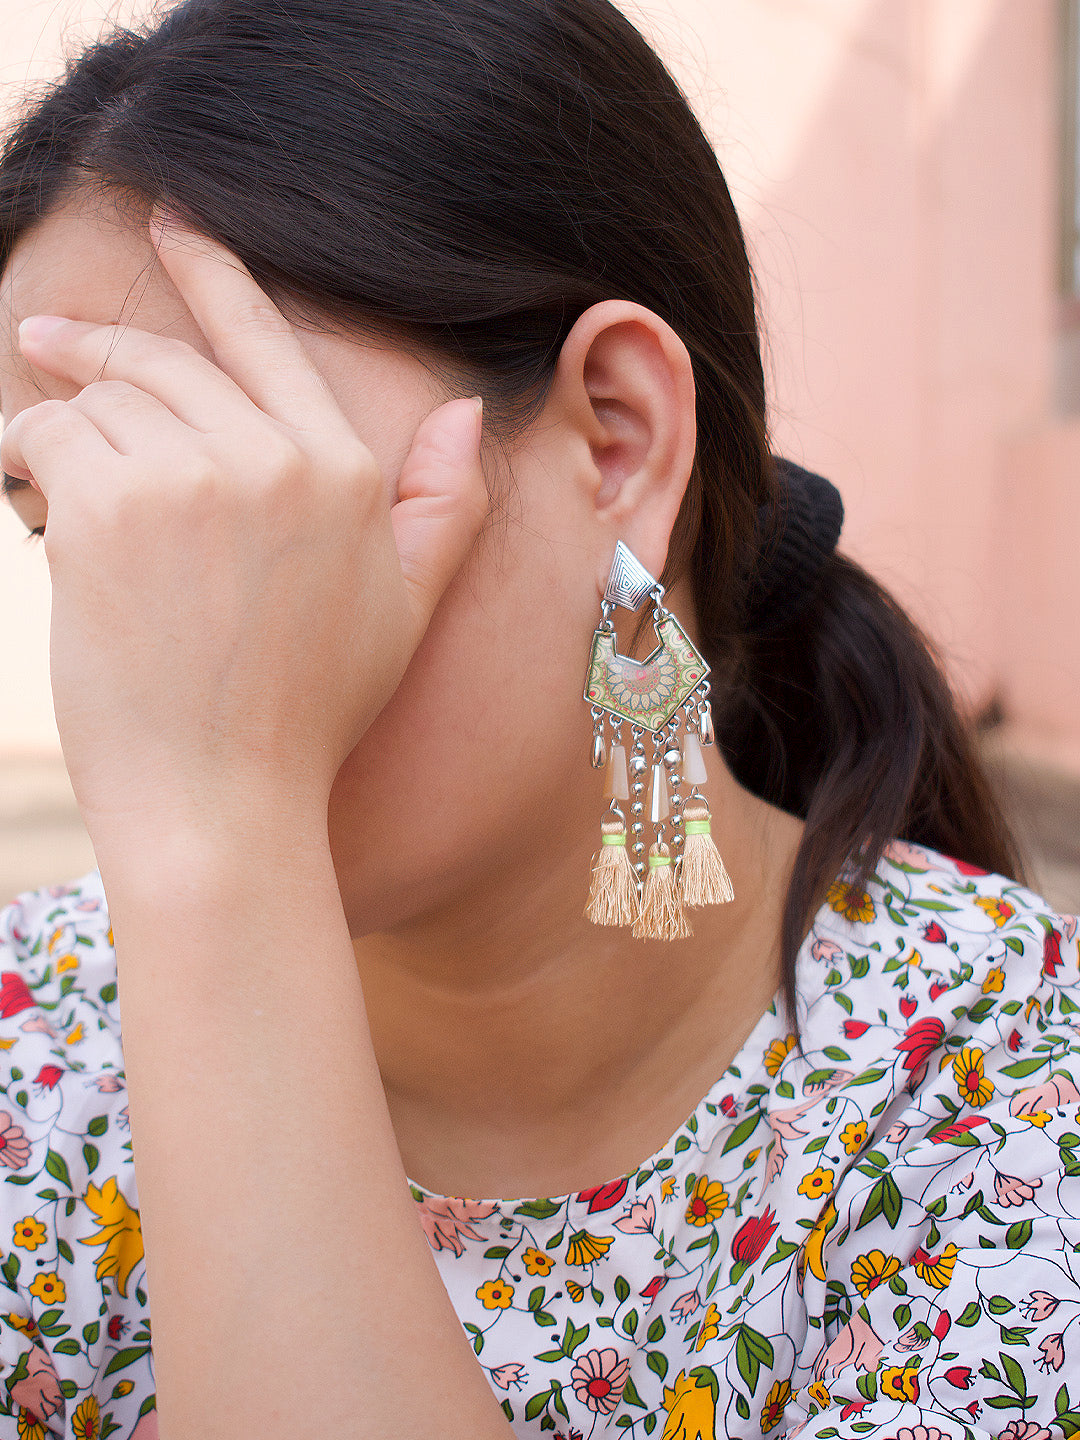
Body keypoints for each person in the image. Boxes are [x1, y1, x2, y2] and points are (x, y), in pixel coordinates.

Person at [0, 1, 1076, 1437]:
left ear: (616, 436)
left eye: (246, 484)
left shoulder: (1000, 1093)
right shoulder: (33, 1050)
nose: (157, 629)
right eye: (78, 520)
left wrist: (230, 838)